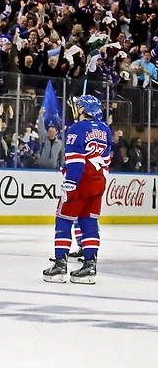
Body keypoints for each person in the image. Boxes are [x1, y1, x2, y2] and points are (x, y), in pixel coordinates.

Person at [43, 95, 112, 285]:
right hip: (98, 181)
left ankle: (59, 265)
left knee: (63, 220)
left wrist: (70, 183)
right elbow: (106, 160)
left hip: (80, 180)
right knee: (89, 222)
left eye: (78, 107)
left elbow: (76, 160)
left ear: (83, 110)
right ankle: (90, 266)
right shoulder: (105, 129)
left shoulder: (77, 128)